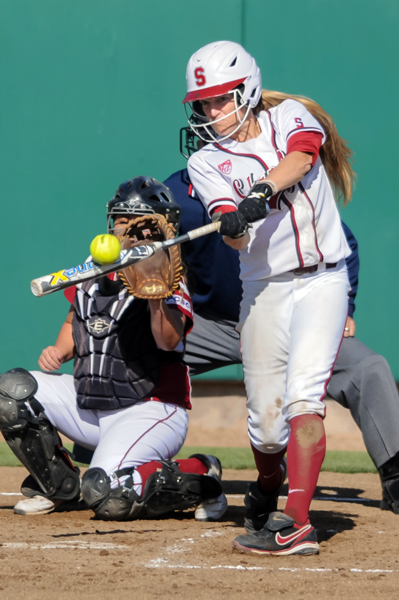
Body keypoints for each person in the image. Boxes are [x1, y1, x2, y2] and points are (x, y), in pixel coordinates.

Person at [164, 132, 399, 520]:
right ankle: (114, 461)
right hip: (214, 322)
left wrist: (345, 304)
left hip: (292, 313)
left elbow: (345, 243)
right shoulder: (176, 193)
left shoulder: (277, 183)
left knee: (367, 368)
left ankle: (394, 473)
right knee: (142, 354)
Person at [181, 39, 355, 556]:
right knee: (265, 421)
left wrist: (257, 194)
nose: (211, 113)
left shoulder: (290, 117)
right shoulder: (207, 163)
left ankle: (296, 522)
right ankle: (265, 486)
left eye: (220, 99)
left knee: (305, 394)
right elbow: (235, 236)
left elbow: (301, 159)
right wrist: (232, 224)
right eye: (203, 104)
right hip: (264, 287)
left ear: (248, 89)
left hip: (324, 279)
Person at [0, 176, 227, 522]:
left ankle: (201, 471)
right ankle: (58, 487)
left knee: (108, 494)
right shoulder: (93, 270)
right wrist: (61, 351)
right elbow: (75, 321)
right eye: (120, 220)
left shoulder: (171, 276)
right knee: (11, 393)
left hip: (151, 409)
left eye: (136, 222)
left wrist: (155, 298)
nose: (125, 229)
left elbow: (168, 340)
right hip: (91, 405)